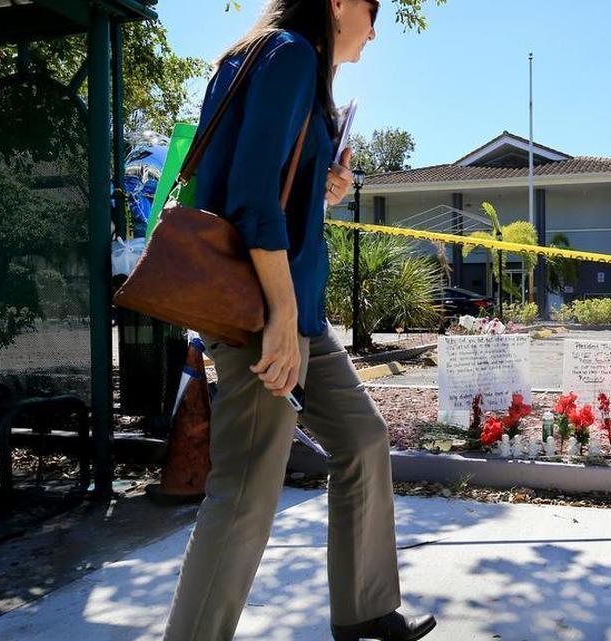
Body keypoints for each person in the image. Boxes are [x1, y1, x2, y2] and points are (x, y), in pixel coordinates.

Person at [162, 2, 435, 640]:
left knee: (363, 441)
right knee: (247, 492)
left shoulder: (271, 60)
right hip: (265, 315)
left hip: (298, 314)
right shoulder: (288, 54)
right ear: (338, 3)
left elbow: (268, 184)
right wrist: (280, 316)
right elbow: (250, 198)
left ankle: (365, 611)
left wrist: (322, 187)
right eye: (374, 14)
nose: (374, 32)